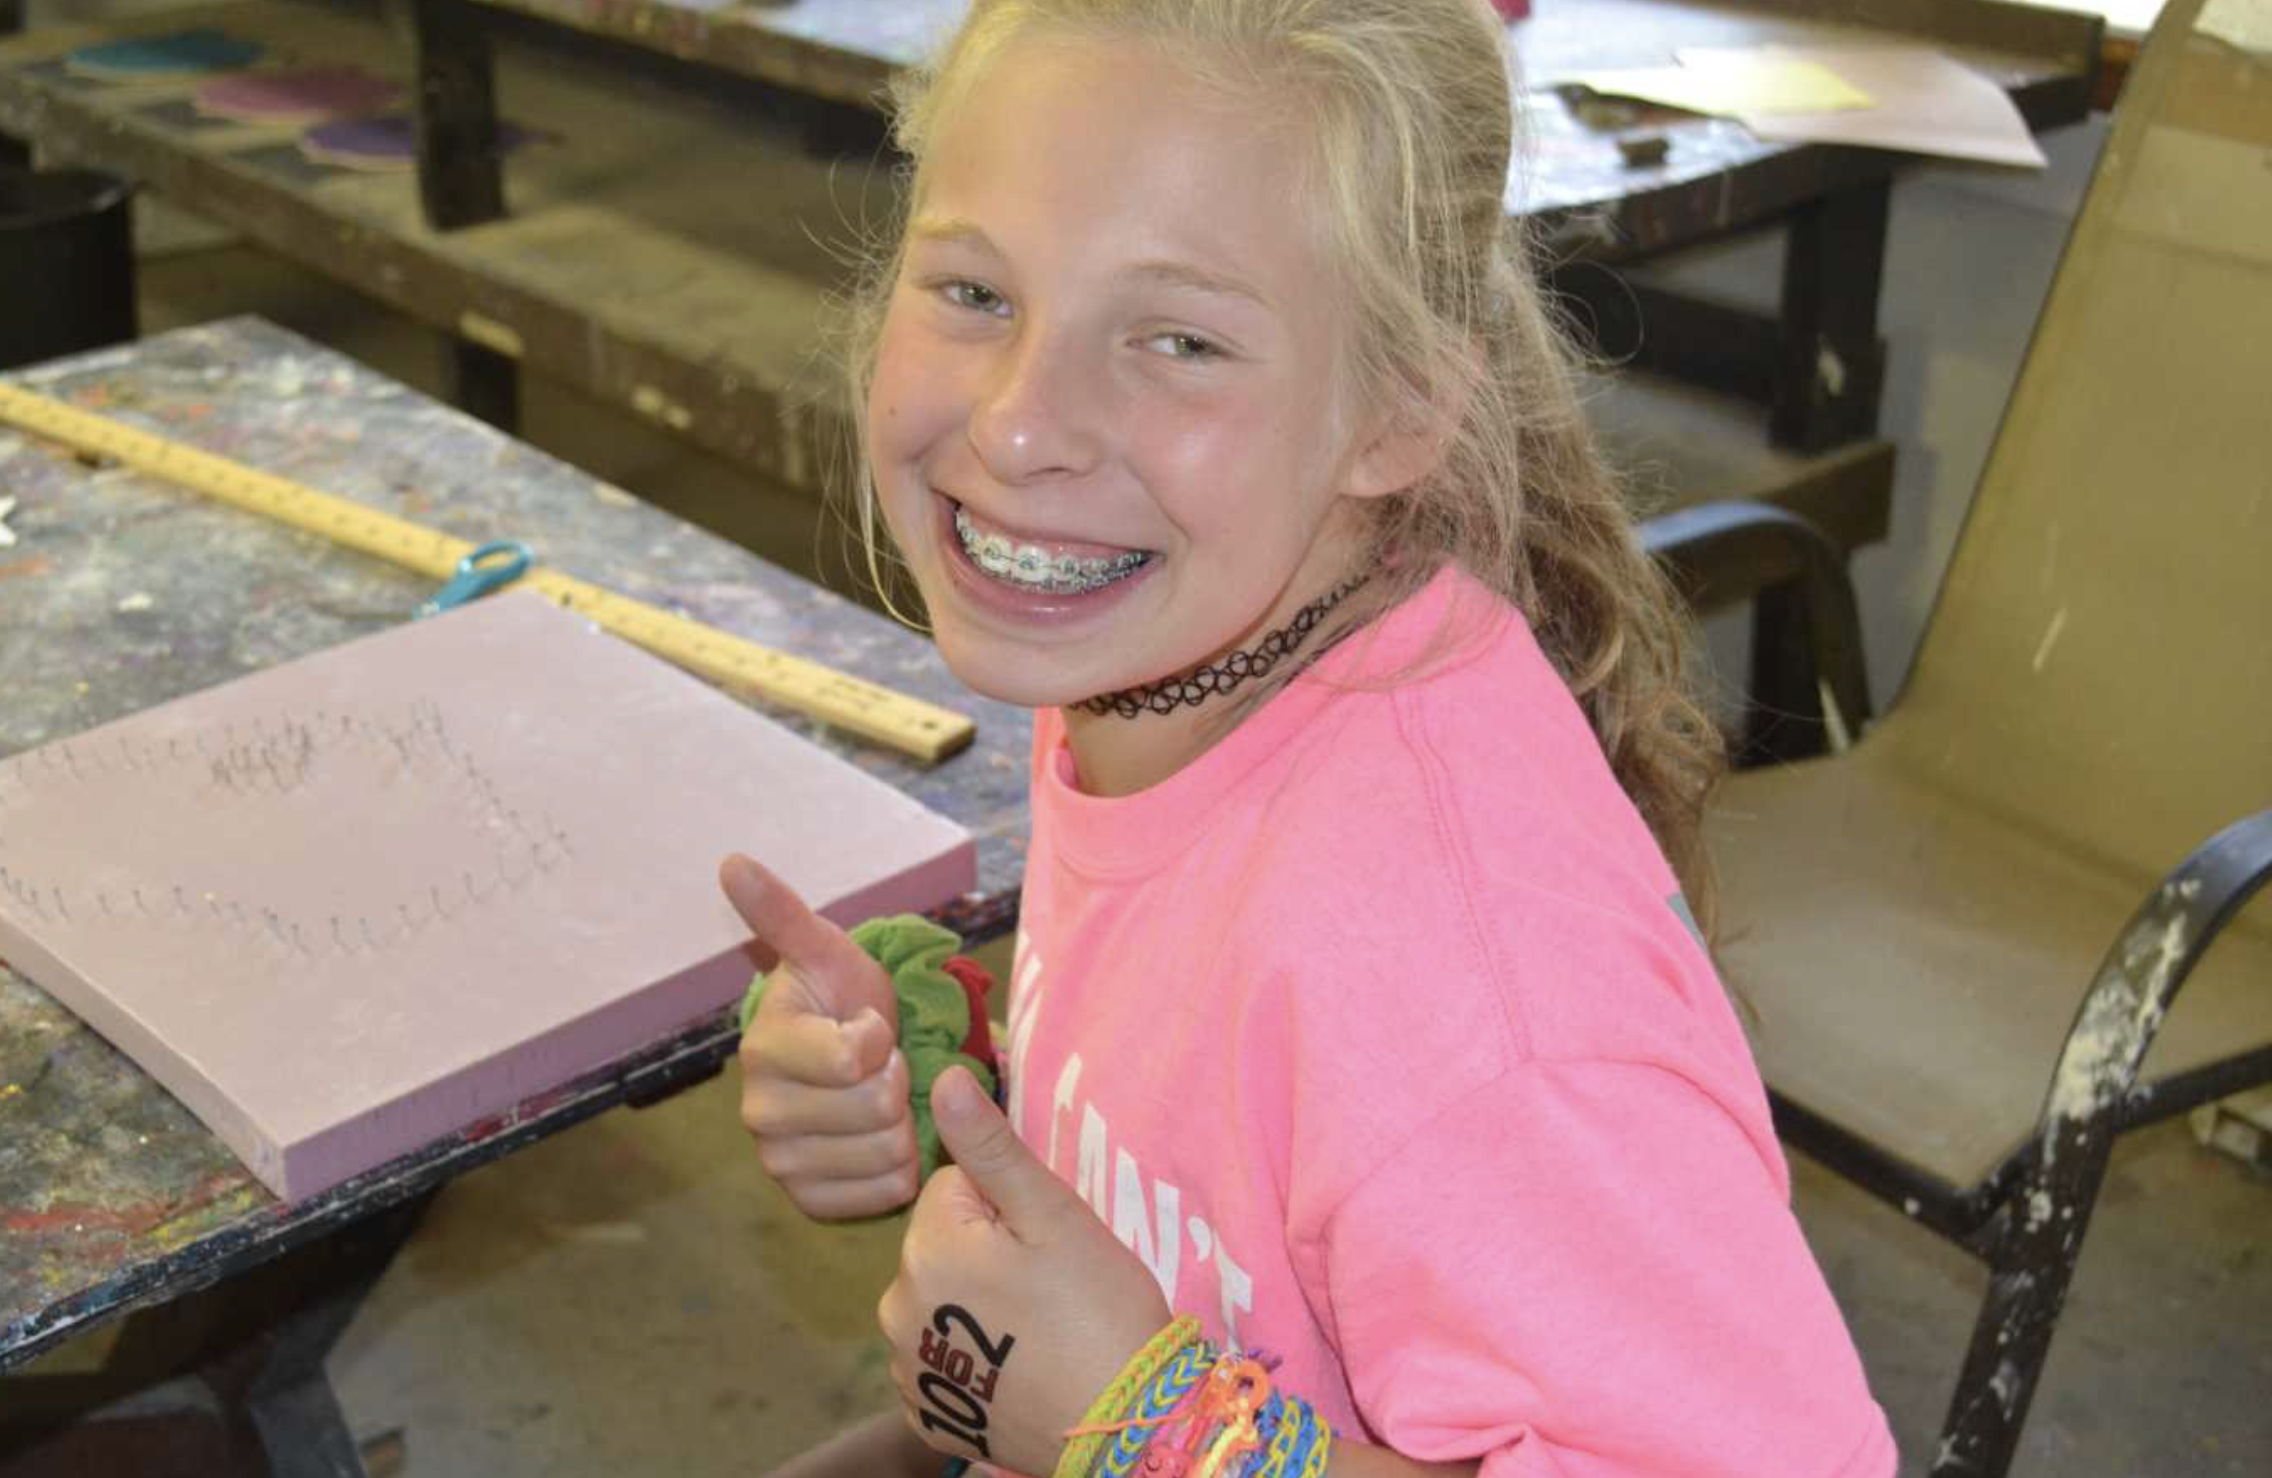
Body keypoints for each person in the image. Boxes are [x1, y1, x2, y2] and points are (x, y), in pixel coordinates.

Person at [723, 1, 1897, 1474]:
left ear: (1398, 413)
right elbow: (1236, 1116)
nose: (1020, 425)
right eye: (974, 291)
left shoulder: (1462, 982)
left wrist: (1155, 1432)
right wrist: (957, 1061)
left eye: (1180, 340)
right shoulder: (1169, 652)